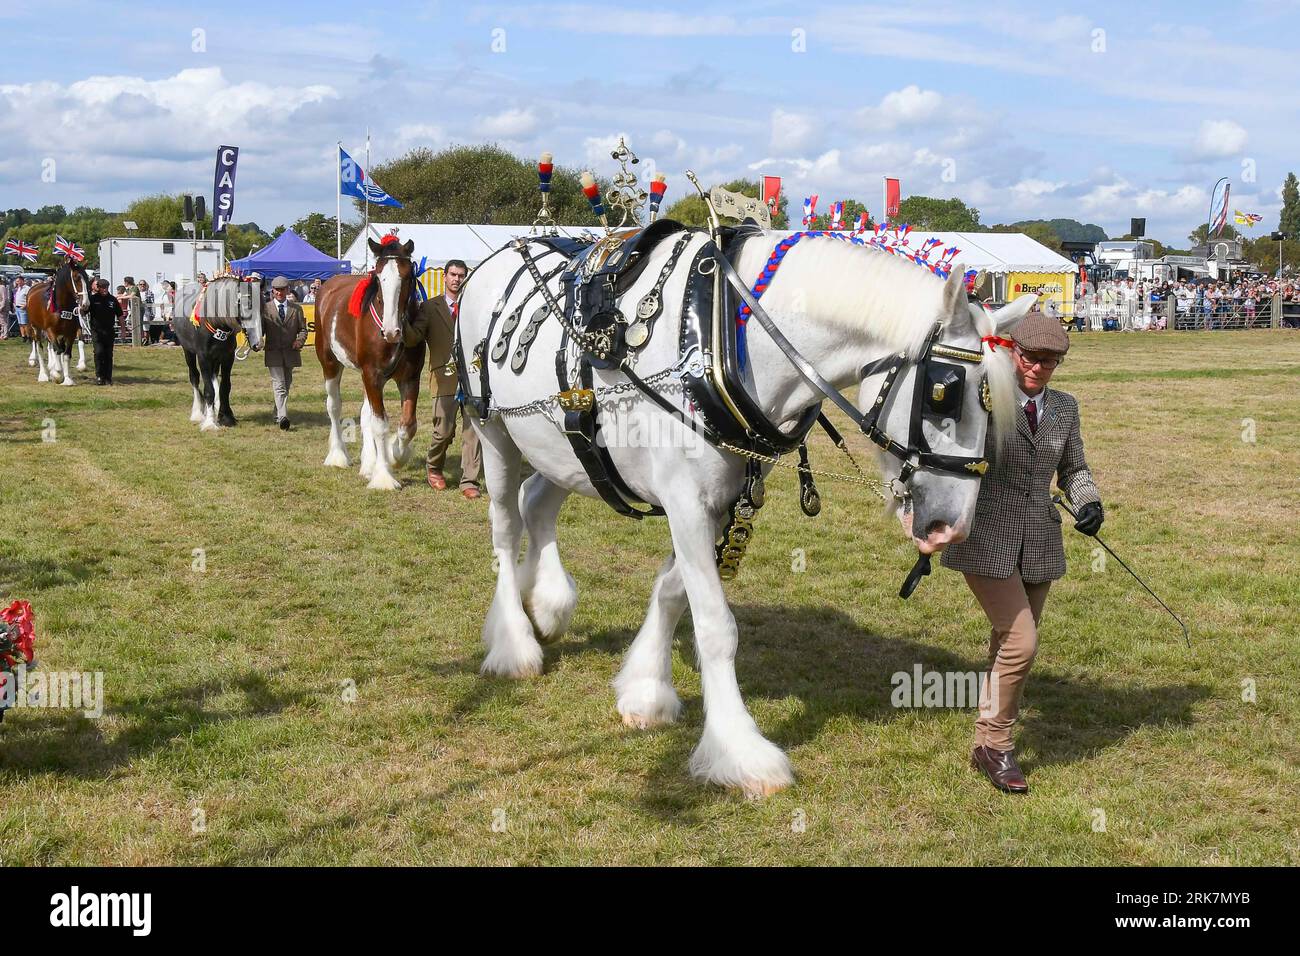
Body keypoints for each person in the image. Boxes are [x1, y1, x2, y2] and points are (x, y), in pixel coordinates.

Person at [940, 311, 1103, 795]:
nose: (1038, 369)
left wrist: (1088, 501)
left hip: (1039, 539)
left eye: (1050, 363)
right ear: (1011, 351)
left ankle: (984, 739)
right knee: (1021, 643)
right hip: (985, 536)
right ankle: (997, 746)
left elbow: (1074, 468)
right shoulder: (983, 398)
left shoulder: (1066, 409)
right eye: (1031, 358)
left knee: (1006, 644)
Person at [422, 259, 482, 499]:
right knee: (443, 431)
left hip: (472, 379)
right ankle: (434, 466)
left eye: (461, 275)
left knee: (473, 431)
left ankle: (469, 480)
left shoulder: (474, 307)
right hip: (443, 378)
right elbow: (416, 336)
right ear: (444, 277)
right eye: (453, 275)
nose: (457, 279)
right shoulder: (429, 307)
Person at [262, 276, 307, 430]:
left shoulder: (297, 309)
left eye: (282, 289)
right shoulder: (265, 309)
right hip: (273, 352)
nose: (279, 292)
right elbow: (259, 330)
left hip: (290, 352)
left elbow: (303, 329)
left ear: (288, 290)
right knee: (279, 385)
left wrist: (299, 341)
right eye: (277, 290)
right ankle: (283, 417)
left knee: (286, 385)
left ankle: (277, 412)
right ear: (273, 291)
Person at [86, 278, 124, 385]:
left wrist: (123, 330)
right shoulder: (92, 299)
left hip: (109, 331)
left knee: (108, 354)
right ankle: (99, 376)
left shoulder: (112, 300)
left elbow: (120, 315)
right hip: (96, 331)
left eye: (106, 287)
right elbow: (84, 311)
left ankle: (108, 377)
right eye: (102, 287)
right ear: (98, 288)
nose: (105, 289)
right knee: (98, 353)